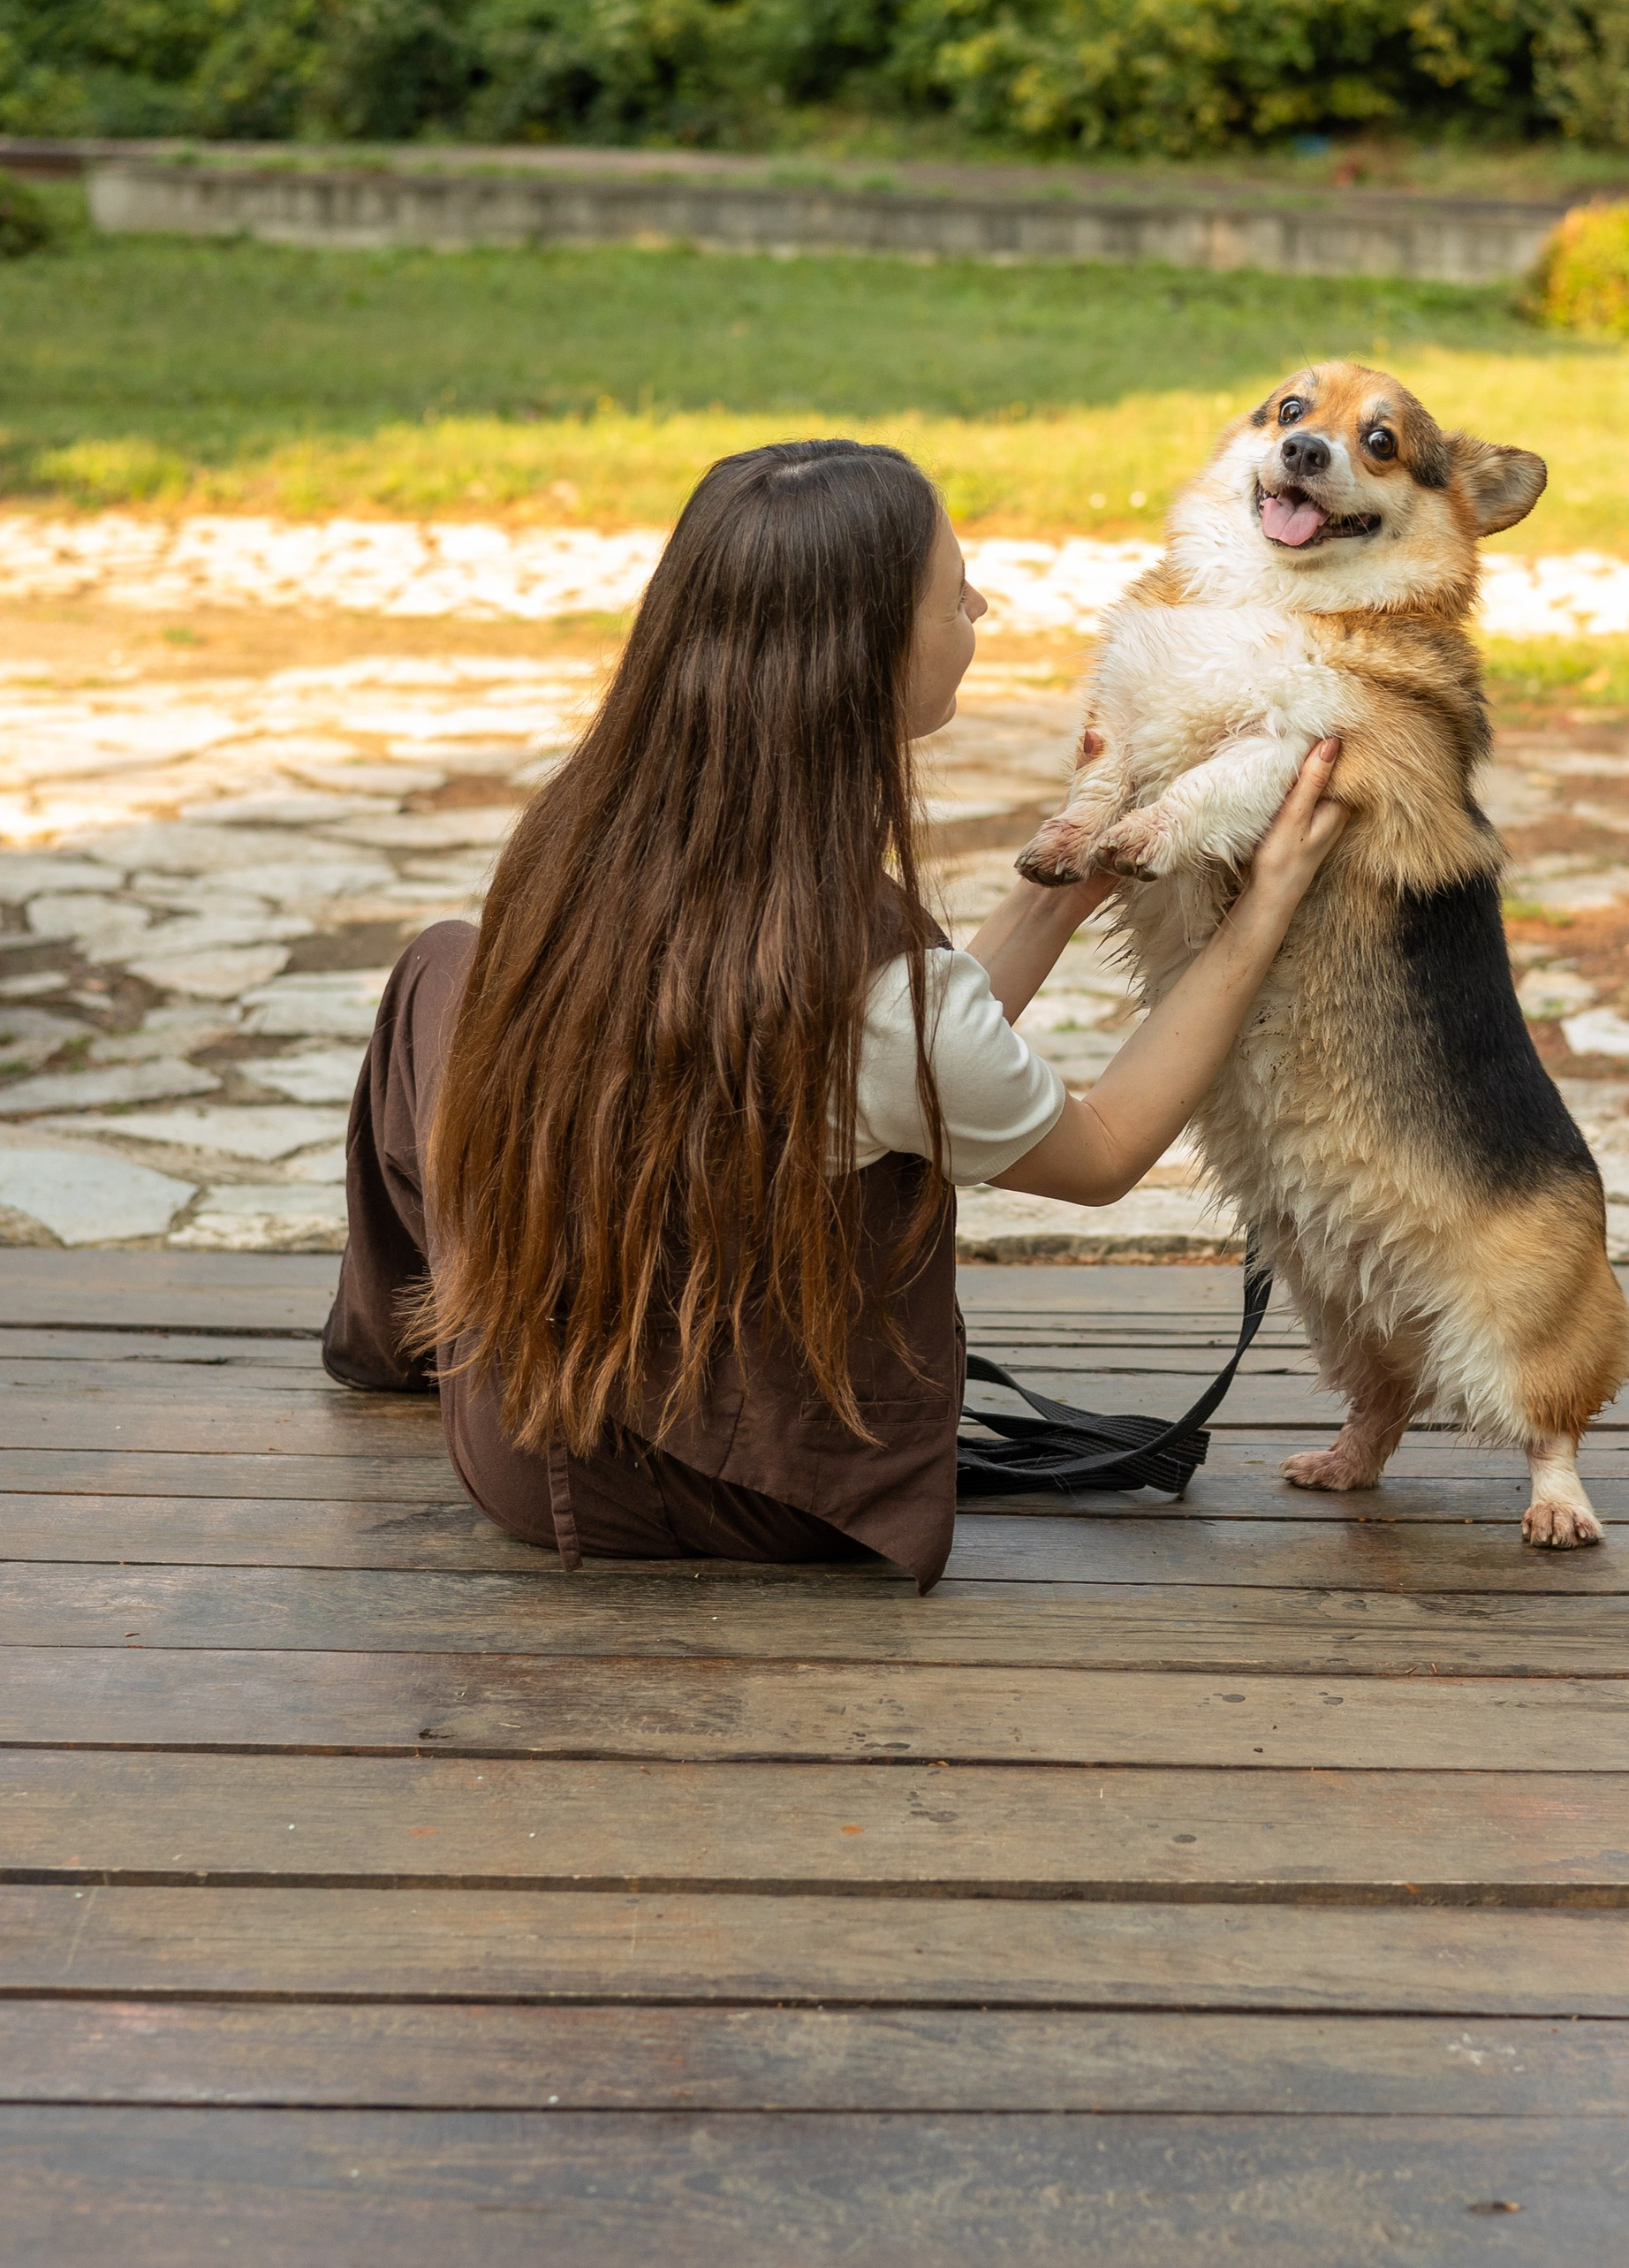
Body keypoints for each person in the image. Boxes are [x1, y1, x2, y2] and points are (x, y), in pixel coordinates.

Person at [323, 437, 1344, 1589]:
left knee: (442, 969)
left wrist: (1079, 872)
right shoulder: (882, 1004)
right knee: (459, 977)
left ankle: (391, 1338)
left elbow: (893, 1054)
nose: (979, 602)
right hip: (706, 1487)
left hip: (510, 1403)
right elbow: (1100, 1149)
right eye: (953, 592)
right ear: (864, 655)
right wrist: (1260, 911)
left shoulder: (589, 825)